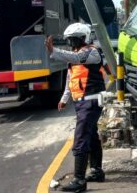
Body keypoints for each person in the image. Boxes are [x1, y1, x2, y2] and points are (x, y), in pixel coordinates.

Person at [45, 23, 106, 192]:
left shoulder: (91, 52)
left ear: (83, 38)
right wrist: (64, 98)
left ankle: (79, 180)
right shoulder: (76, 55)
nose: (72, 43)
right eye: (70, 40)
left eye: (74, 40)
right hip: (81, 102)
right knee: (91, 135)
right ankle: (96, 171)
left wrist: (55, 51)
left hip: (91, 100)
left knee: (80, 138)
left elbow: (77, 58)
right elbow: (70, 80)